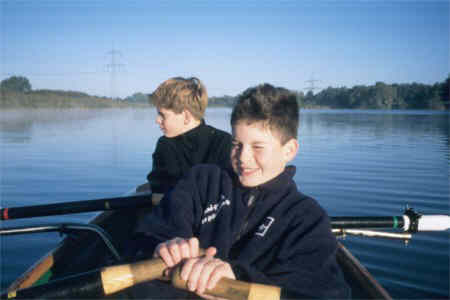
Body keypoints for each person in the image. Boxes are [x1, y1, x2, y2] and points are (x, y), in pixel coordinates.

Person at [136, 83, 350, 299]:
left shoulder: (306, 218)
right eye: (236, 144)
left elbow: (323, 293)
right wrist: (166, 245)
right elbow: (151, 233)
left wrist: (237, 276)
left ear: (289, 150)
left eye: (257, 147)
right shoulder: (202, 181)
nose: (242, 158)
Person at [137, 77, 232, 204]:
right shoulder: (164, 144)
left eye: (162, 115)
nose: (157, 120)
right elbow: (158, 186)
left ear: (186, 116)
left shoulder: (224, 143)